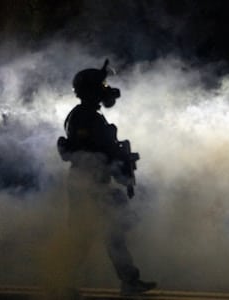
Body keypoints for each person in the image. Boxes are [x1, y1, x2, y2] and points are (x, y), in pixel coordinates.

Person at [57, 59, 156, 296]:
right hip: (87, 186)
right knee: (87, 237)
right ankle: (62, 284)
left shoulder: (90, 115)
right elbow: (88, 152)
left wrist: (121, 159)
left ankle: (129, 281)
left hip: (96, 183)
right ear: (90, 90)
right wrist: (115, 158)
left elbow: (102, 150)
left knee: (113, 234)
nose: (105, 90)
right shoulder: (83, 117)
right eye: (100, 86)